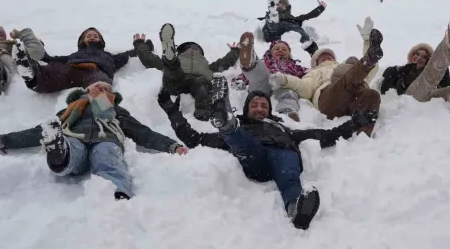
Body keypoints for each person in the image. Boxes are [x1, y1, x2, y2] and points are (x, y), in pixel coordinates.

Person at [158, 76, 377, 230]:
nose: (260, 108)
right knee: (241, 141)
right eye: (255, 105)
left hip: (284, 155)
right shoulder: (244, 127)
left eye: (264, 106)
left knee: (289, 178)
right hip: (254, 156)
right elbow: (194, 139)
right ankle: (225, 123)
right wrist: (172, 112)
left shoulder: (284, 129)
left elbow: (325, 135)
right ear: (246, 110)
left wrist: (354, 124)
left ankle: (296, 210)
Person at [0, 81, 188, 199]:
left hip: (107, 139)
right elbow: (38, 131)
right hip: (74, 137)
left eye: (105, 89)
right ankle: (59, 155)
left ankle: (118, 192)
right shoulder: (70, 110)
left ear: (112, 96)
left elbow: (143, 133)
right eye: (96, 87)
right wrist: (3, 141)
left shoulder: (117, 111)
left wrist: (171, 145)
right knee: (72, 149)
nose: (100, 89)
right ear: (84, 92)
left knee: (107, 157)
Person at [270, 17, 384, 135]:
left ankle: (363, 135)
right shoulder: (314, 72)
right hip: (330, 101)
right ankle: (369, 59)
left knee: (372, 95)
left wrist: (366, 40)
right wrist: (284, 79)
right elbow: (304, 88)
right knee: (344, 74)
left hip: (355, 99)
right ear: (316, 63)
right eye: (322, 58)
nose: (327, 59)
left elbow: (372, 70)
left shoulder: (344, 67)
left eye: (329, 57)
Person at [132, 23, 239, 120]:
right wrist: (140, 44)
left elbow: (224, 62)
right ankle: (169, 56)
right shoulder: (180, 59)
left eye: (195, 48)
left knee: (202, 82)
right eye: (189, 48)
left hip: (197, 82)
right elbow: (150, 59)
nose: (192, 49)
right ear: (181, 52)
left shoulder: (207, 67)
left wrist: (235, 51)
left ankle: (203, 112)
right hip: (177, 79)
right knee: (172, 68)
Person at [394, 17, 450, 121]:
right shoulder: (401, 70)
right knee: (427, 78)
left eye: (424, 57)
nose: (419, 58)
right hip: (411, 98)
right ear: (411, 55)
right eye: (417, 54)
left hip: (430, 95)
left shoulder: (435, 70)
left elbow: (445, 86)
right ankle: (447, 45)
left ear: (429, 61)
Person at [12, 27, 137, 93]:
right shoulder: (74, 55)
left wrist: (140, 45)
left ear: (100, 40)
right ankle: (32, 75)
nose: (92, 37)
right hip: (71, 69)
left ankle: (101, 99)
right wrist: (40, 44)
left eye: (95, 36)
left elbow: (126, 55)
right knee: (52, 71)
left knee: (99, 80)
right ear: (82, 40)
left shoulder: (108, 56)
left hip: (95, 70)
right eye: (89, 36)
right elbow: (49, 59)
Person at [234, 34, 308, 121]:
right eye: (277, 49)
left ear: (289, 54)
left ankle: (287, 113)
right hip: (264, 84)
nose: (280, 50)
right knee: (260, 73)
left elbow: (308, 75)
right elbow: (244, 77)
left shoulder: (295, 66)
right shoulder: (265, 62)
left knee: (289, 94)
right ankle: (251, 63)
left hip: (283, 86)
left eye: (284, 49)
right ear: (270, 52)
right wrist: (240, 81)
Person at [260, 0, 325, 55]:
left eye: (283, 4)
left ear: (287, 7)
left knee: (312, 47)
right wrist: (272, 15)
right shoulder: (270, 17)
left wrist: (320, 8)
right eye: (279, 3)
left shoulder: (294, 19)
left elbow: (308, 16)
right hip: (278, 35)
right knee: (273, 23)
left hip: (302, 39)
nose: (281, 5)